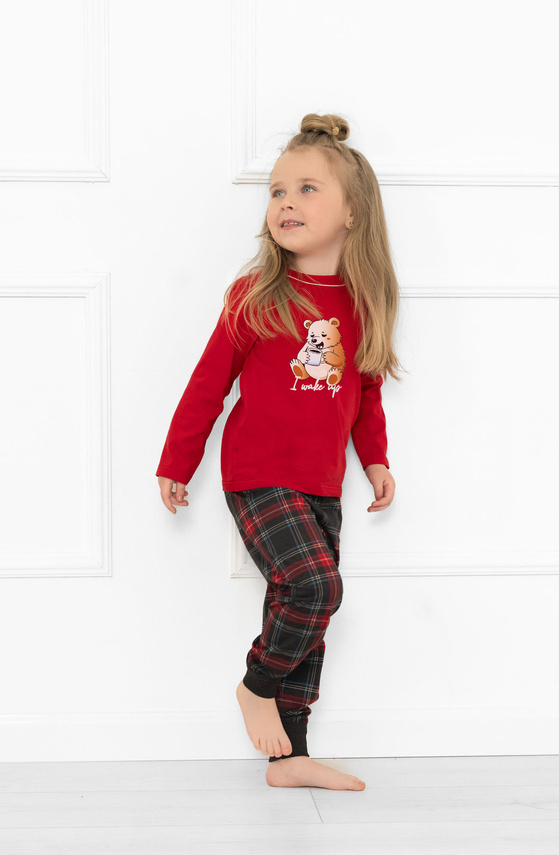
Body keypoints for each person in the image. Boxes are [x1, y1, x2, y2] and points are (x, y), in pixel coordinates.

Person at [156, 113, 404, 790]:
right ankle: (255, 684)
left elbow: (366, 392)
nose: (286, 202)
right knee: (316, 586)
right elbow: (207, 385)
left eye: (306, 189)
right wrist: (176, 462)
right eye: (276, 191)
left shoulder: (362, 304)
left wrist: (375, 460)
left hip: (323, 481)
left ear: (352, 212)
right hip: (259, 473)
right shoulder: (257, 294)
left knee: (304, 611)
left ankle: (289, 757)